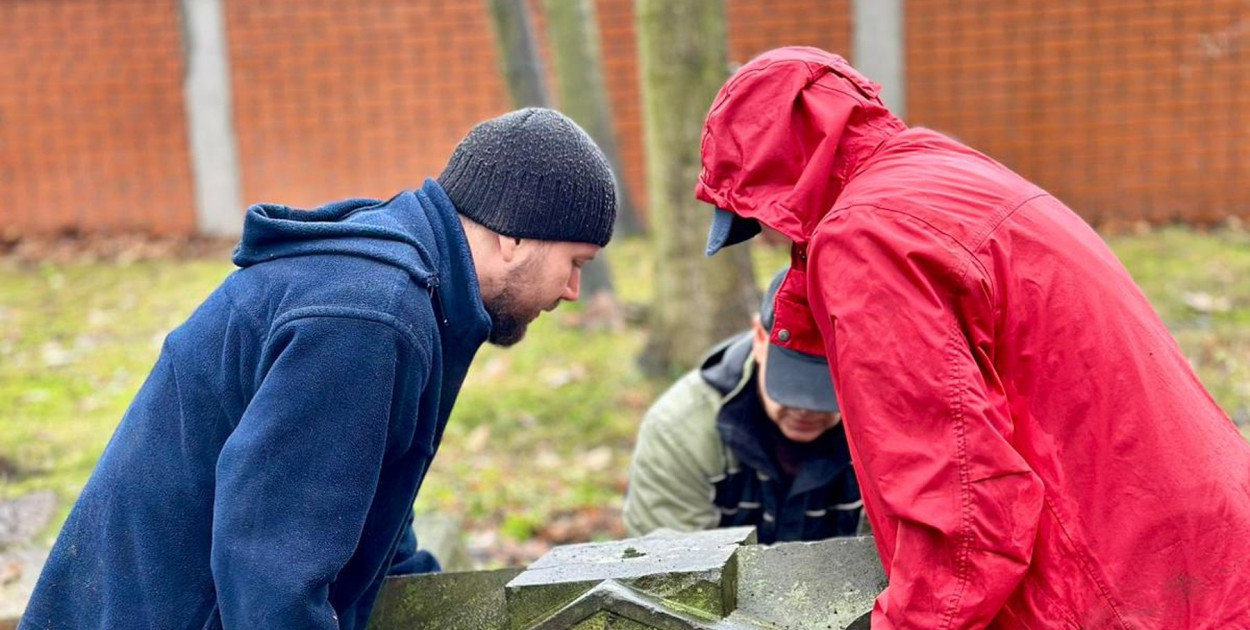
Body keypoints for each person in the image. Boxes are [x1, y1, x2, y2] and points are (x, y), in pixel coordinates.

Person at [697, 46, 1250, 628]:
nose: (768, 236)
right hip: (1196, 547)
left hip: (1115, 587)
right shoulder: (944, 172)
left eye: (761, 216)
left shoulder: (868, 235)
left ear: (784, 174)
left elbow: (962, 511)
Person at [21, 108, 617, 629]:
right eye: (575, 261)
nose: (572, 290)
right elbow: (269, 569)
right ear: (511, 240)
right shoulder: (367, 316)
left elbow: (368, 510)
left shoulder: (406, 290)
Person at [623, 268, 861, 544]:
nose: (805, 409)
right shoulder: (679, 431)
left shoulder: (890, 430)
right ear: (760, 339)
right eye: (790, 386)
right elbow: (666, 571)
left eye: (823, 389)